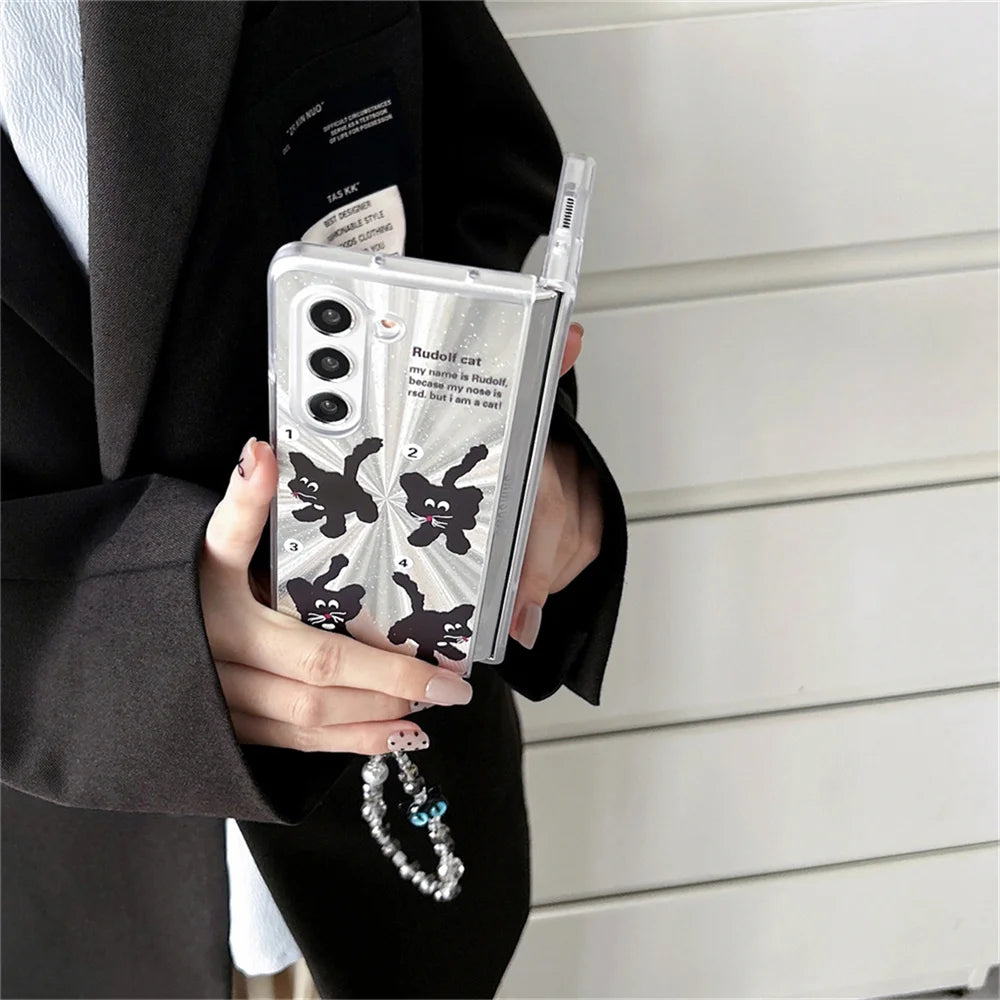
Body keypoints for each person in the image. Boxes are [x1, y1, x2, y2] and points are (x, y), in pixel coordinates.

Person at [0, 2, 627, 998]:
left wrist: (529, 447)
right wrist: (88, 644)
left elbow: (481, 170)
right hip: (57, 877)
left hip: (393, 811)